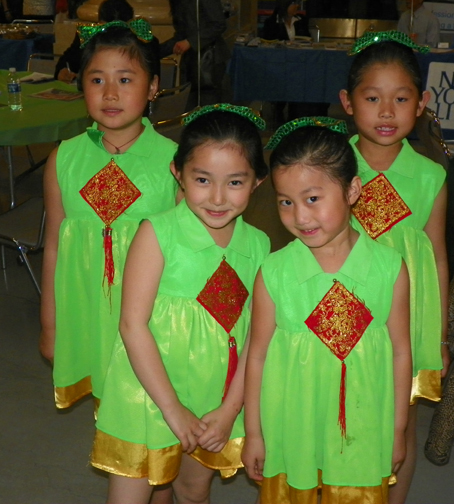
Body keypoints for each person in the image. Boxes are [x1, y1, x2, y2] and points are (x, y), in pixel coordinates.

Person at [91, 104, 270, 504]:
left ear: (257, 182)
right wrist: (172, 408)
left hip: (214, 400)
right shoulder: (157, 234)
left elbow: (256, 339)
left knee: (192, 491)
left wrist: (229, 410)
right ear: (179, 173)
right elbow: (132, 326)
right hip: (147, 393)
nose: (218, 197)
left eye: (236, 182)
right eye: (203, 179)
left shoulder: (258, 245)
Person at [242, 117, 412, 504]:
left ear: (352, 190)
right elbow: (258, 356)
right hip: (292, 423)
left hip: (365, 426)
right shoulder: (274, 271)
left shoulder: (389, 268)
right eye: (286, 202)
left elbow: (401, 351)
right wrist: (254, 432)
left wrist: (397, 429)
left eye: (312, 199)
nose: (300, 217)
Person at [39, 20, 179, 412]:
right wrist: (50, 324)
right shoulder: (63, 158)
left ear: (153, 87)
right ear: (81, 85)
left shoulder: (173, 162)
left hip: (150, 316)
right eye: (97, 80)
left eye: (126, 79)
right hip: (85, 311)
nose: (111, 93)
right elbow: (52, 247)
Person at [339, 31, 450, 503]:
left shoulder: (430, 176)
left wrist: (439, 336)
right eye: (372, 97)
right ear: (348, 102)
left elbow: (438, 255)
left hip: (407, 321)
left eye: (401, 98)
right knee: (339, 406)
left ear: (421, 103)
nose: (387, 111)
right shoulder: (330, 163)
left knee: (398, 424)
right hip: (342, 309)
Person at [54, 0, 160, 83]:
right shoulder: (88, 38)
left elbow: (151, 80)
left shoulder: (144, 42)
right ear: (99, 23)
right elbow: (69, 59)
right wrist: (62, 71)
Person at [159, 0, 230, 105]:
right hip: (190, 62)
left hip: (209, 60)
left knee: (208, 104)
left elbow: (219, 24)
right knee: (190, 105)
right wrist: (152, 51)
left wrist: (190, 42)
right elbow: (181, 35)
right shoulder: (178, 3)